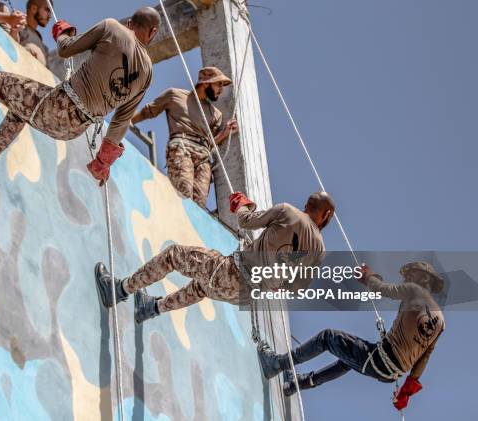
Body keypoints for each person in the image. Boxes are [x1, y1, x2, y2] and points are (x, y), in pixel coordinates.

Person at [0, 7, 160, 183]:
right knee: (21, 107)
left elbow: (66, 51)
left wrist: (62, 33)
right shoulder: (147, 72)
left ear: (131, 23)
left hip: (60, 106)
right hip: (74, 129)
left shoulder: (112, 28)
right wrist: (102, 163)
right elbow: (120, 122)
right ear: (153, 32)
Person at [94, 191, 333, 324]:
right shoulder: (319, 251)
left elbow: (245, 221)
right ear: (326, 215)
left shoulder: (288, 211)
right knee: (201, 289)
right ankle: (152, 309)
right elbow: (291, 290)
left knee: (173, 255)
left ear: (308, 204)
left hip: (232, 271)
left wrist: (241, 204)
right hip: (245, 296)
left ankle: (120, 290)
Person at [257, 261, 445, 411]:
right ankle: (297, 384)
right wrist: (405, 392)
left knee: (327, 337)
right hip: (389, 372)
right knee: (347, 360)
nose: (406, 279)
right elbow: (423, 359)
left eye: (410, 275)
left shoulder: (414, 290)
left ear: (423, 279)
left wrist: (368, 276)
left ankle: (277, 364)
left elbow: (383, 289)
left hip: (381, 359)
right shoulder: (440, 320)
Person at [130, 67, 238, 208]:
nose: (221, 90)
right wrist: (123, 121)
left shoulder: (215, 114)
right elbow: (147, 112)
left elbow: (209, 144)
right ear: (206, 83)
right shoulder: (175, 95)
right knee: (184, 193)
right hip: (182, 148)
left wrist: (225, 134)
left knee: (199, 205)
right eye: (219, 84)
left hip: (203, 158)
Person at [19, 0, 52, 66]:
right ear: (34, 8)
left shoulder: (44, 48)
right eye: (47, 10)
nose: (50, 16)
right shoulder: (17, 27)